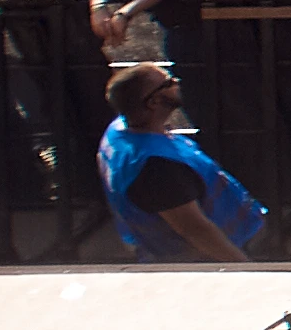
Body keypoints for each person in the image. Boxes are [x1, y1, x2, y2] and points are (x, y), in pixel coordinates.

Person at [97, 62, 265, 260]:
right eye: (168, 83)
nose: (177, 83)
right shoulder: (157, 168)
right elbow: (196, 230)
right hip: (212, 258)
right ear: (153, 102)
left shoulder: (119, 132)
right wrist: (244, 269)